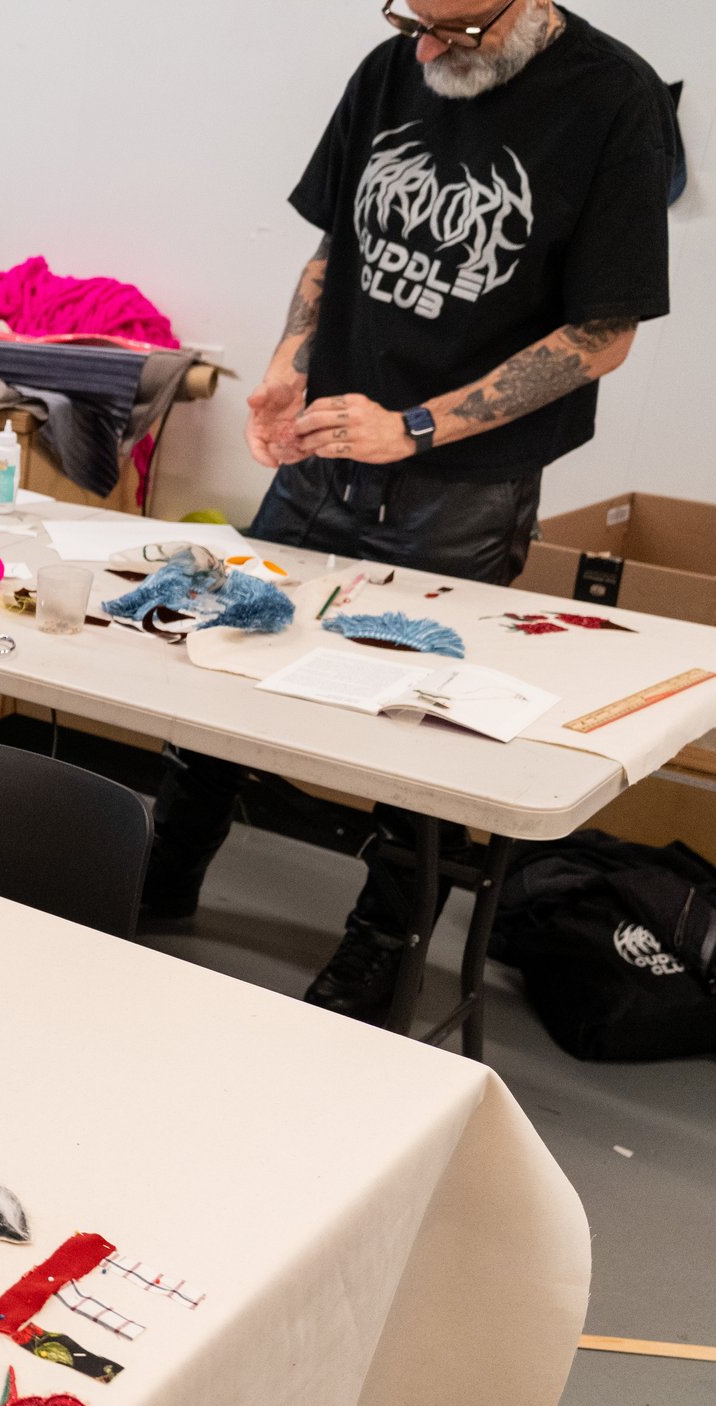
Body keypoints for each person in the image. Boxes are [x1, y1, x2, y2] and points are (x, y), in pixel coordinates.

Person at [144, 0, 676, 1019]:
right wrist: (287, 367)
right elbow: (331, 247)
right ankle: (159, 874)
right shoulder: (392, 68)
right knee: (221, 670)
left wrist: (417, 427)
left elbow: (602, 334)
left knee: (417, 736)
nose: (427, 49)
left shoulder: (612, 100)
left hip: (461, 489)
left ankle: (380, 950)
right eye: (411, 19)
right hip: (324, 451)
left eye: (457, 34)